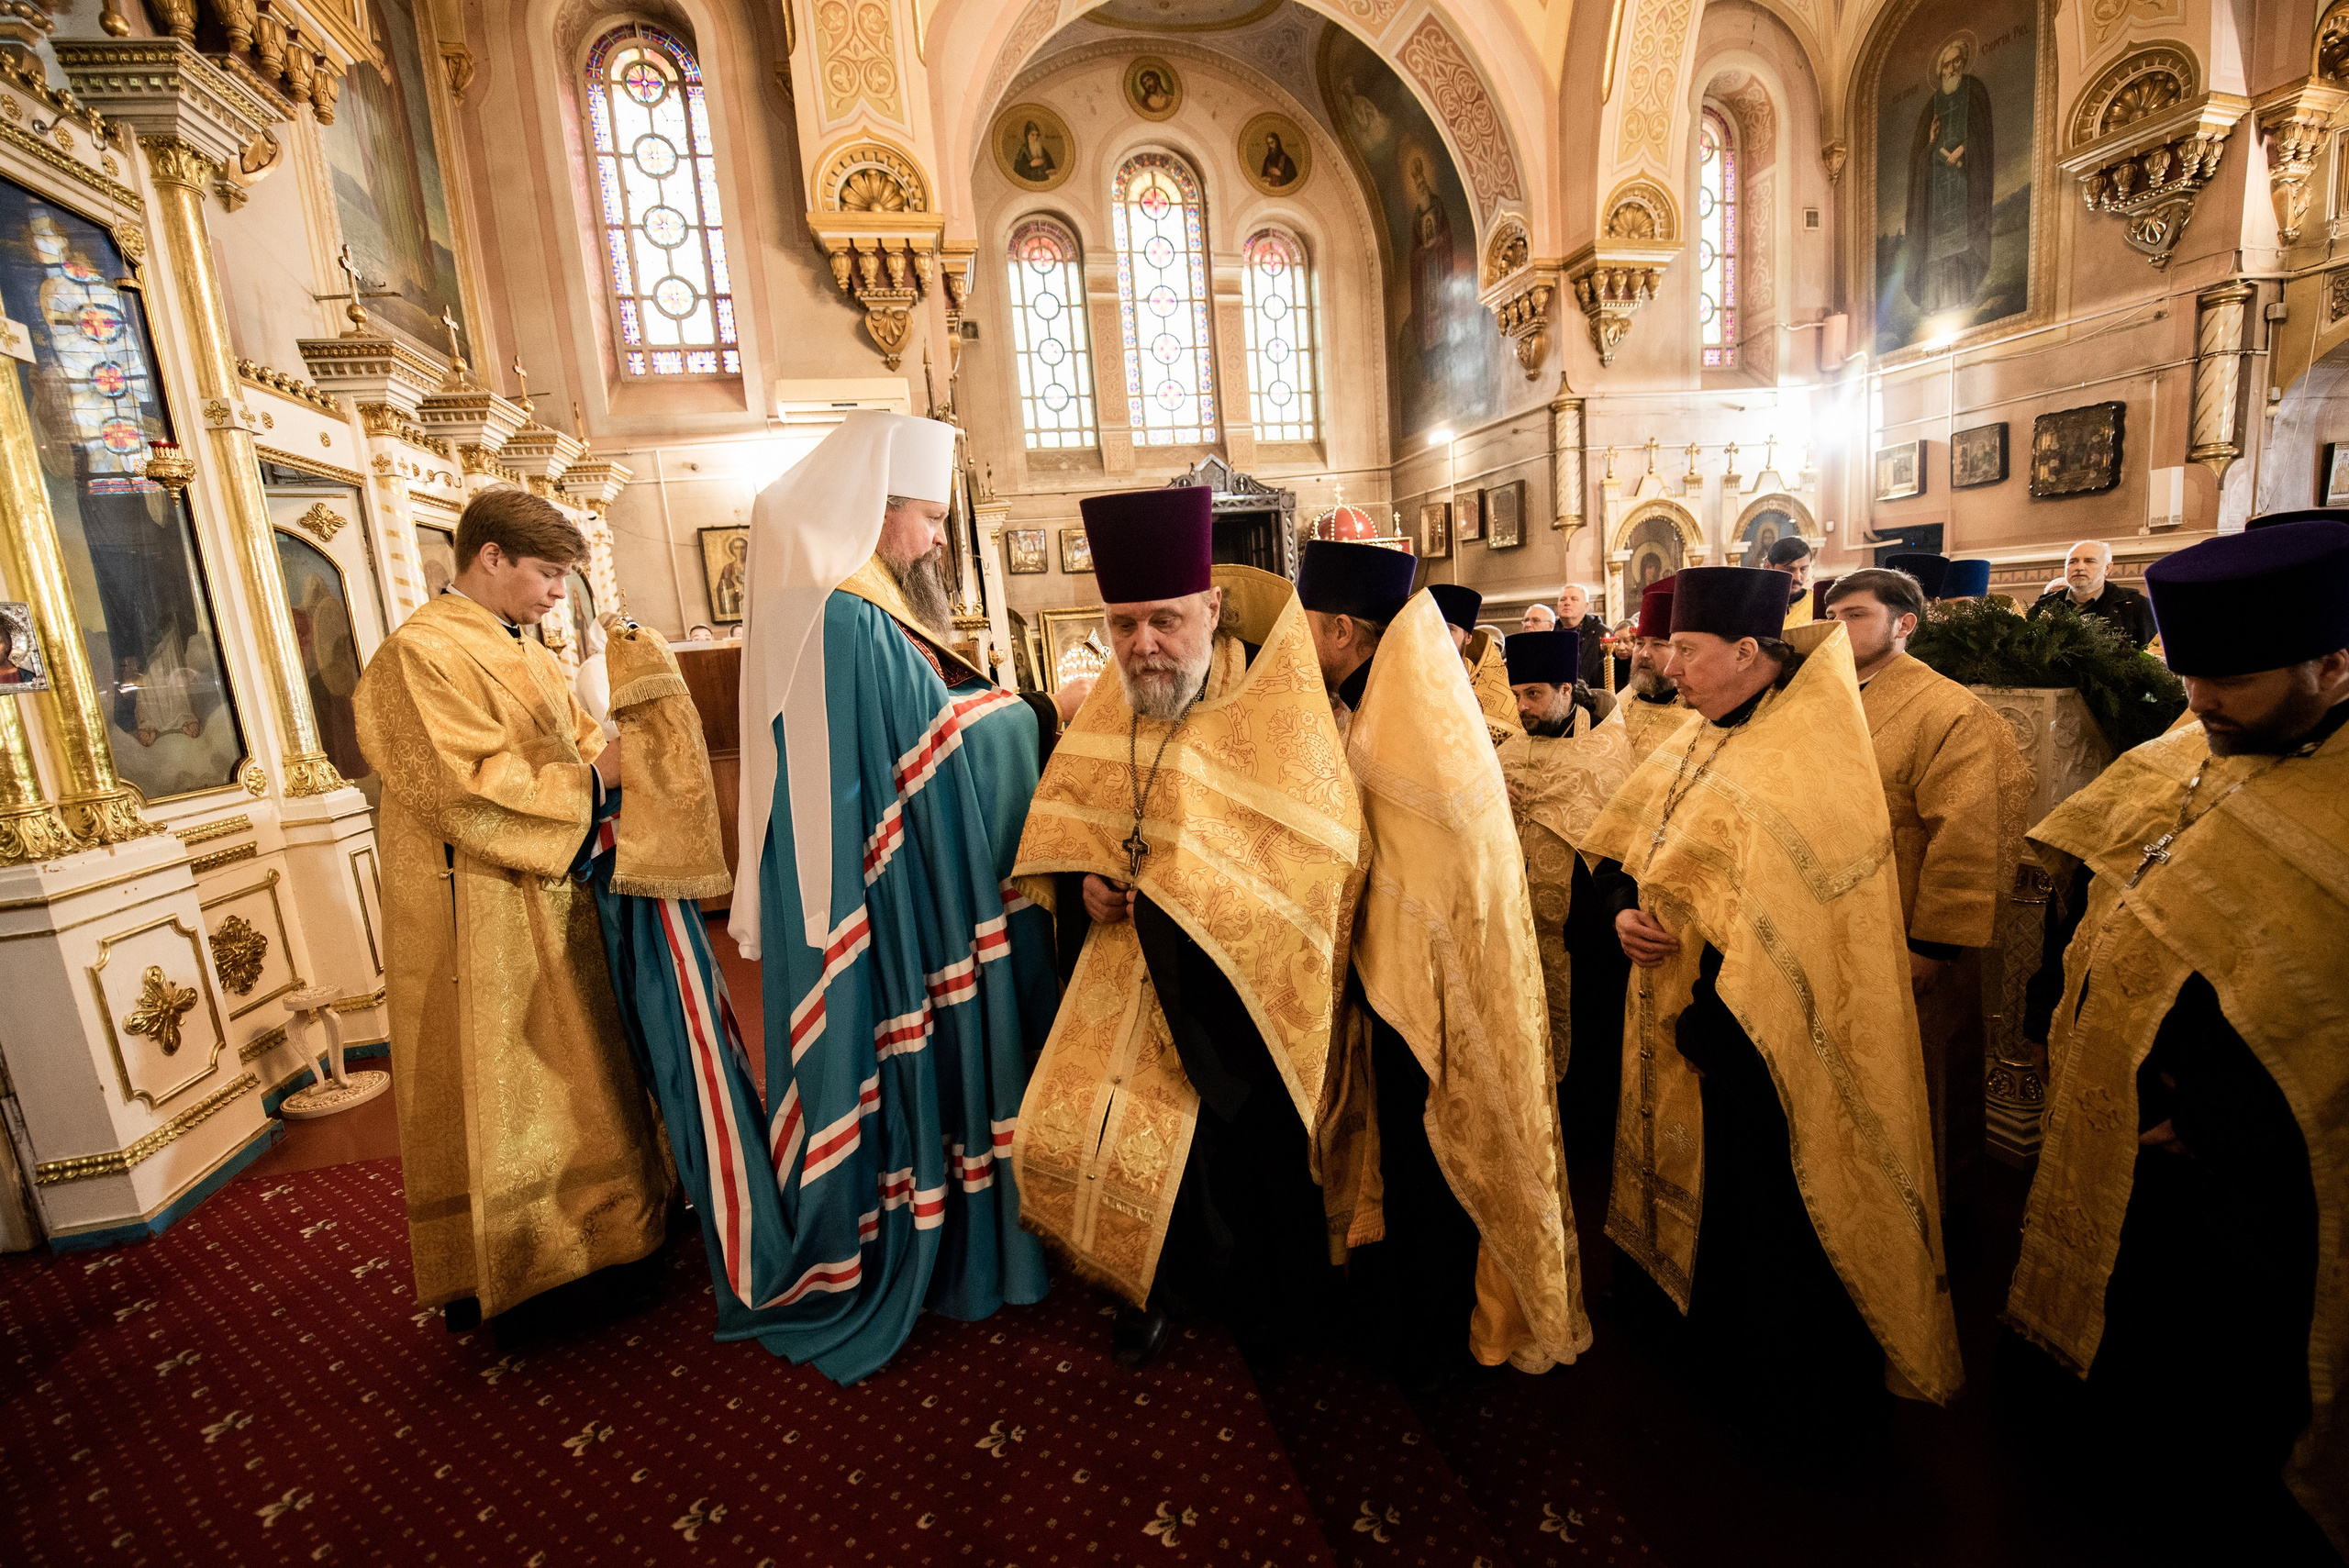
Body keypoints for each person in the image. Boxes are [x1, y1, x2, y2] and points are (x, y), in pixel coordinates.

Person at [2009, 520, 2349, 1562]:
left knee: (2221, 1415)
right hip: (2113, 1115)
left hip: (2247, 1178)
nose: (2196, 701)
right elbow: (2104, 882)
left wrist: (2213, 1120)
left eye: (2230, 679)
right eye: (2186, 672)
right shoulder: (2190, 742)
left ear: (2333, 665)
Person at [1582, 566, 1963, 1438]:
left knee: (1756, 1227)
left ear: (1749, 650)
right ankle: (1669, 1329)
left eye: (1686, 648)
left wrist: (1716, 1019)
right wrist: (1620, 914)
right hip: (1667, 1016)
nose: (1667, 665)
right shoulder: (1693, 736)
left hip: (1753, 1046)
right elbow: (1621, 854)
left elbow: (1810, 924)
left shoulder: (1813, 757)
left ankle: (1765, 1396)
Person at [726, 410, 1050, 1384]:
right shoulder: (854, 616)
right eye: (928, 517)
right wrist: (1028, 716)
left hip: (837, 884)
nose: (939, 539)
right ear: (876, 513)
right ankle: (928, 1234)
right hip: (887, 897)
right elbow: (931, 761)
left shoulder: (821, 603)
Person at [1009, 487, 1360, 1371]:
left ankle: (1243, 1289)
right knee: (1092, 1121)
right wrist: (1081, 883)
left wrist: (1189, 904)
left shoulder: (1272, 702)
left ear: (1209, 608)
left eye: (1164, 621)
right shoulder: (1113, 703)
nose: (1143, 646)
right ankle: (1149, 1285)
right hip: (1125, 966)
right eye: (1123, 625)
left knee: (1225, 1154)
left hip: (1229, 984)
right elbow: (1071, 823)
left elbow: (1317, 855)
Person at [352, 486, 670, 1343]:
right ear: (490, 557)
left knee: (584, 1068)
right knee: (514, 1086)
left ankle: (612, 1236)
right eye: (547, 575)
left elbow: (575, 734)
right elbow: (459, 789)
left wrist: (618, 749)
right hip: (480, 909)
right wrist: (594, 781)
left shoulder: (519, 642)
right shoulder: (416, 655)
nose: (557, 594)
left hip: (554, 884)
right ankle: (532, 1268)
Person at [1303, 539, 1587, 1384]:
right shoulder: (1391, 691)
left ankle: (1430, 1327)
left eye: (1307, 627)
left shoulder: (1405, 716)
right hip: (1402, 975)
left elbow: (1402, 865)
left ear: (1345, 630)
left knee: (1427, 1154)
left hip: (1422, 988)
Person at [1824, 567, 2030, 1199]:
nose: (1836, 628)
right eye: (1829, 615)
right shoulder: (1817, 701)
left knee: (1917, 1079)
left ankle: (1929, 1218)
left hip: (1908, 932)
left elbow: (1971, 833)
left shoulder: (1950, 711)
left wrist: (1933, 945)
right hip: (1830, 923)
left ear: (1904, 623)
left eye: (1854, 615)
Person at [1497, 628, 1636, 1161]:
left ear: (1565, 689)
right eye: (1515, 695)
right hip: (1519, 924)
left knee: (1589, 1030)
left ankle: (1586, 1140)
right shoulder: (1505, 753)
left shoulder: (1606, 752)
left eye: (1533, 695)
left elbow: (1621, 837)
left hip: (1585, 929)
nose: (1522, 707)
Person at [1904, 35, 1996, 316]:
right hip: (1936, 198)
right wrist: (1932, 145)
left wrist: (1966, 148)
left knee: (1961, 242)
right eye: (1946, 65)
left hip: (1964, 186)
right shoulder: (1930, 106)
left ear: (1964, 62)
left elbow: (1984, 137)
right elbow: (1918, 158)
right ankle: (1934, 303)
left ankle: (1963, 297)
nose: (1952, 69)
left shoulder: (1974, 90)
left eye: (1957, 61)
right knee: (1936, 249)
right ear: (1940, 70)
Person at [1610, 574, 1692, 763]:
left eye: (1658, 644)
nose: (1643, 653)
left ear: (1682, 651)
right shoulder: (1616, 706)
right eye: (1639, 643)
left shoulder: (1697, 713)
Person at [1430, 582, 1520, 743]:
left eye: (1449, 629)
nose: (1440, 635)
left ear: (1468, 637)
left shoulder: (1489, 682)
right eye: (1434, 627)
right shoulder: (1413, 676)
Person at [2028, 539, 2156, 649]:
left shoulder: (2135, 605)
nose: (2079, 567)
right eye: (2073, 561)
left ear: (2107, 568)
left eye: (2089, 561)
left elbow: (2151, 656)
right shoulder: (2044, 606)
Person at [1553, 582, 1611, 690]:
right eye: (1563, 599)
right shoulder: (1550, 633)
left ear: (1586, 606)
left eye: (1574, 599)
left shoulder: (1601, 634)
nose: (1567, 603)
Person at [1763, 535, 1815, 627]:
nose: (1797, 578)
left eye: (1803, 569)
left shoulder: (1816, 605)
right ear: (1768, 566)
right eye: (1789, 569)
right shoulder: (1753, 603)